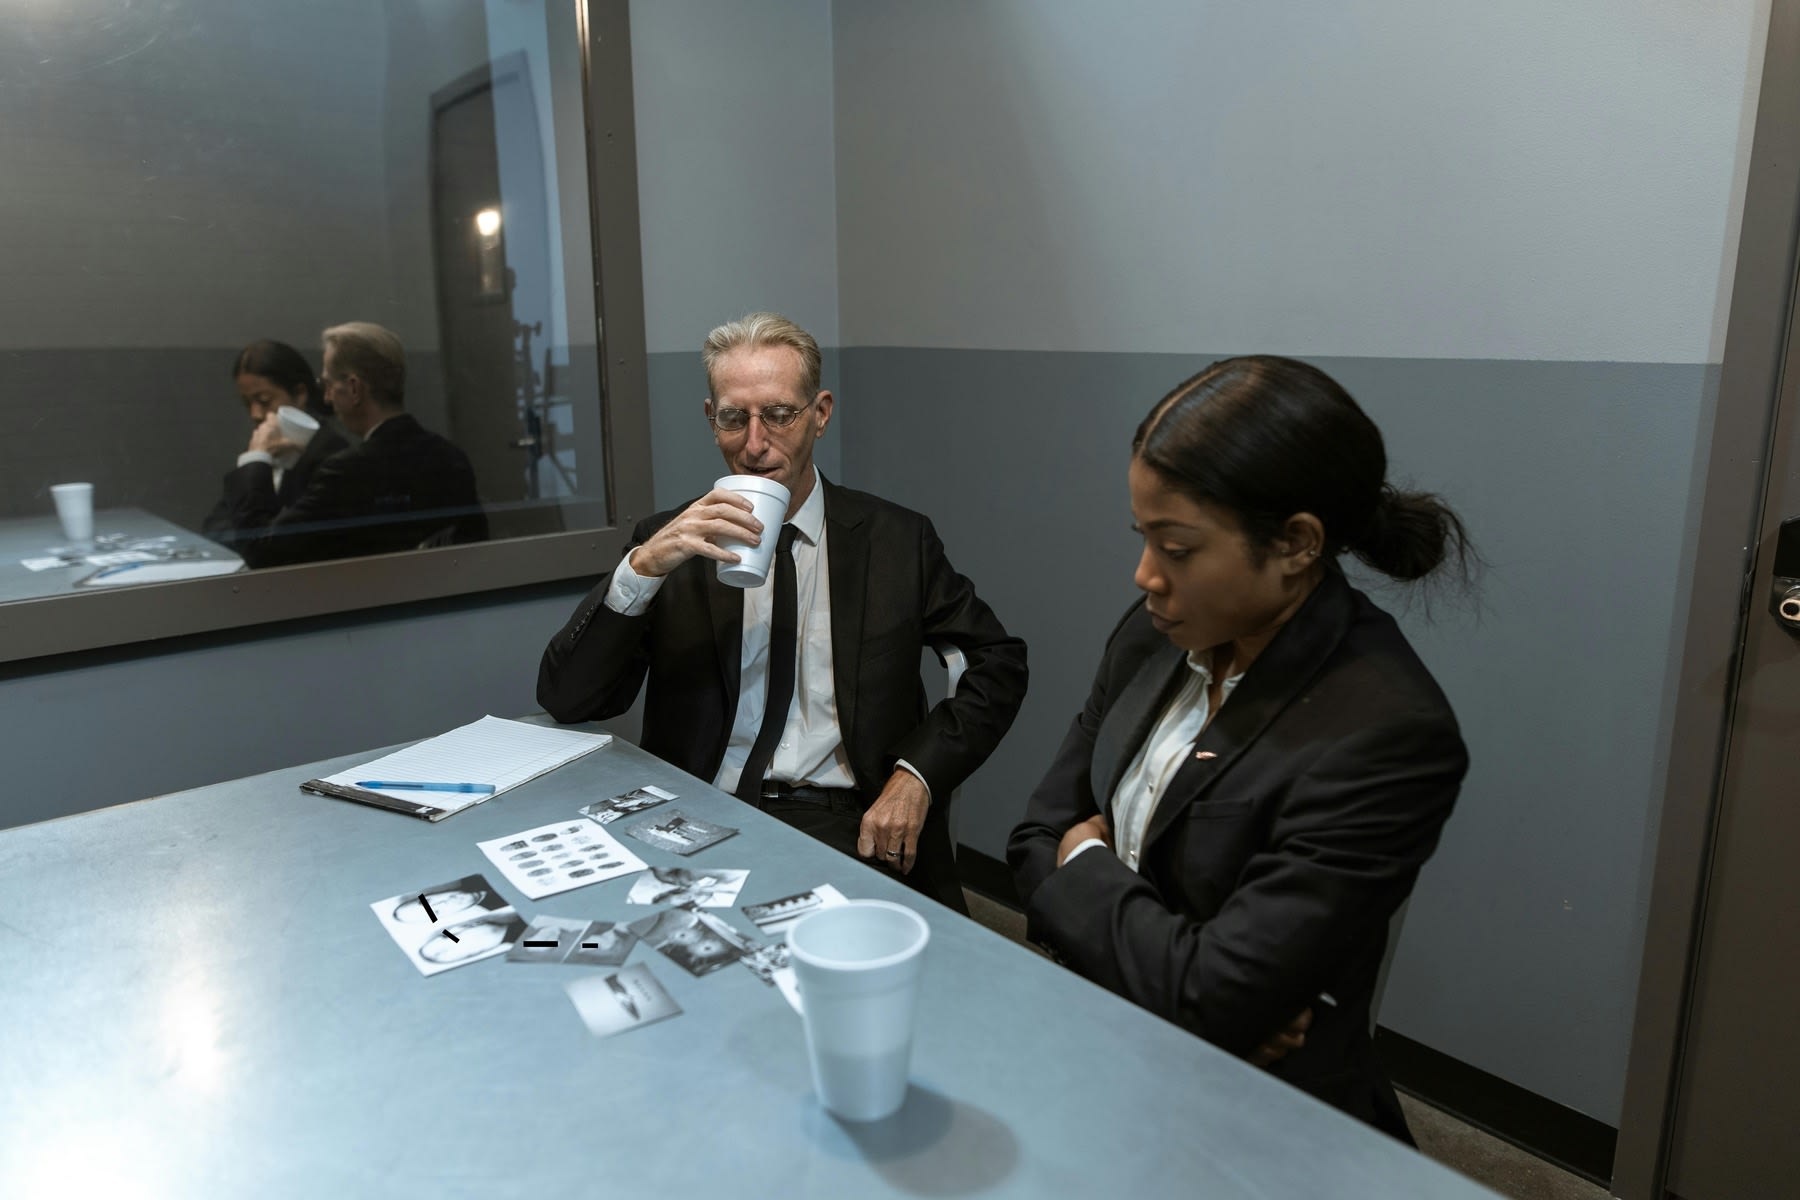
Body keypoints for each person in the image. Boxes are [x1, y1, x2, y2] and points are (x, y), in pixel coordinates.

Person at [1007, 355, 1472, 1142]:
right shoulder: (1153, 635)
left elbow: (1212, 997)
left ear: (1295, 543)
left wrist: (1082, 871)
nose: (1145, 575)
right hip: (1109, 1052)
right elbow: (1029, 839)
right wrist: (1185, 979)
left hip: (1258, 1119)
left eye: (1178, 548)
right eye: (1143, 537)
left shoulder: (1387, 732)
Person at [538, 312, 1028, 915]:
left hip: (844, 817)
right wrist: (640, 569)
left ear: (819, 414)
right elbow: (571, 700)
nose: (754, 444)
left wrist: (917, 774)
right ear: (710, 419)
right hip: (696, 809)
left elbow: (998, 662)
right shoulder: (669, 542)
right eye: (732, 417)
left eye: (778, 414)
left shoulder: (895, 540)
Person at [215, 322, 487, 567]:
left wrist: (256, 459)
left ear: (354, 389)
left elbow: (262, 550)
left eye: (329, 384)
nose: (328, 397)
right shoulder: (452, 457)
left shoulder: (347, 471)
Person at [201, 340, 350, 546]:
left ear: (299, 394)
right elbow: (215, 527)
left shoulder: (332, 454)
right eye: (247, 403)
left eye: (264, 400)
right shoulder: (266, 447)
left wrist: (256, 461)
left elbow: (281, 542)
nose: (255, 414)